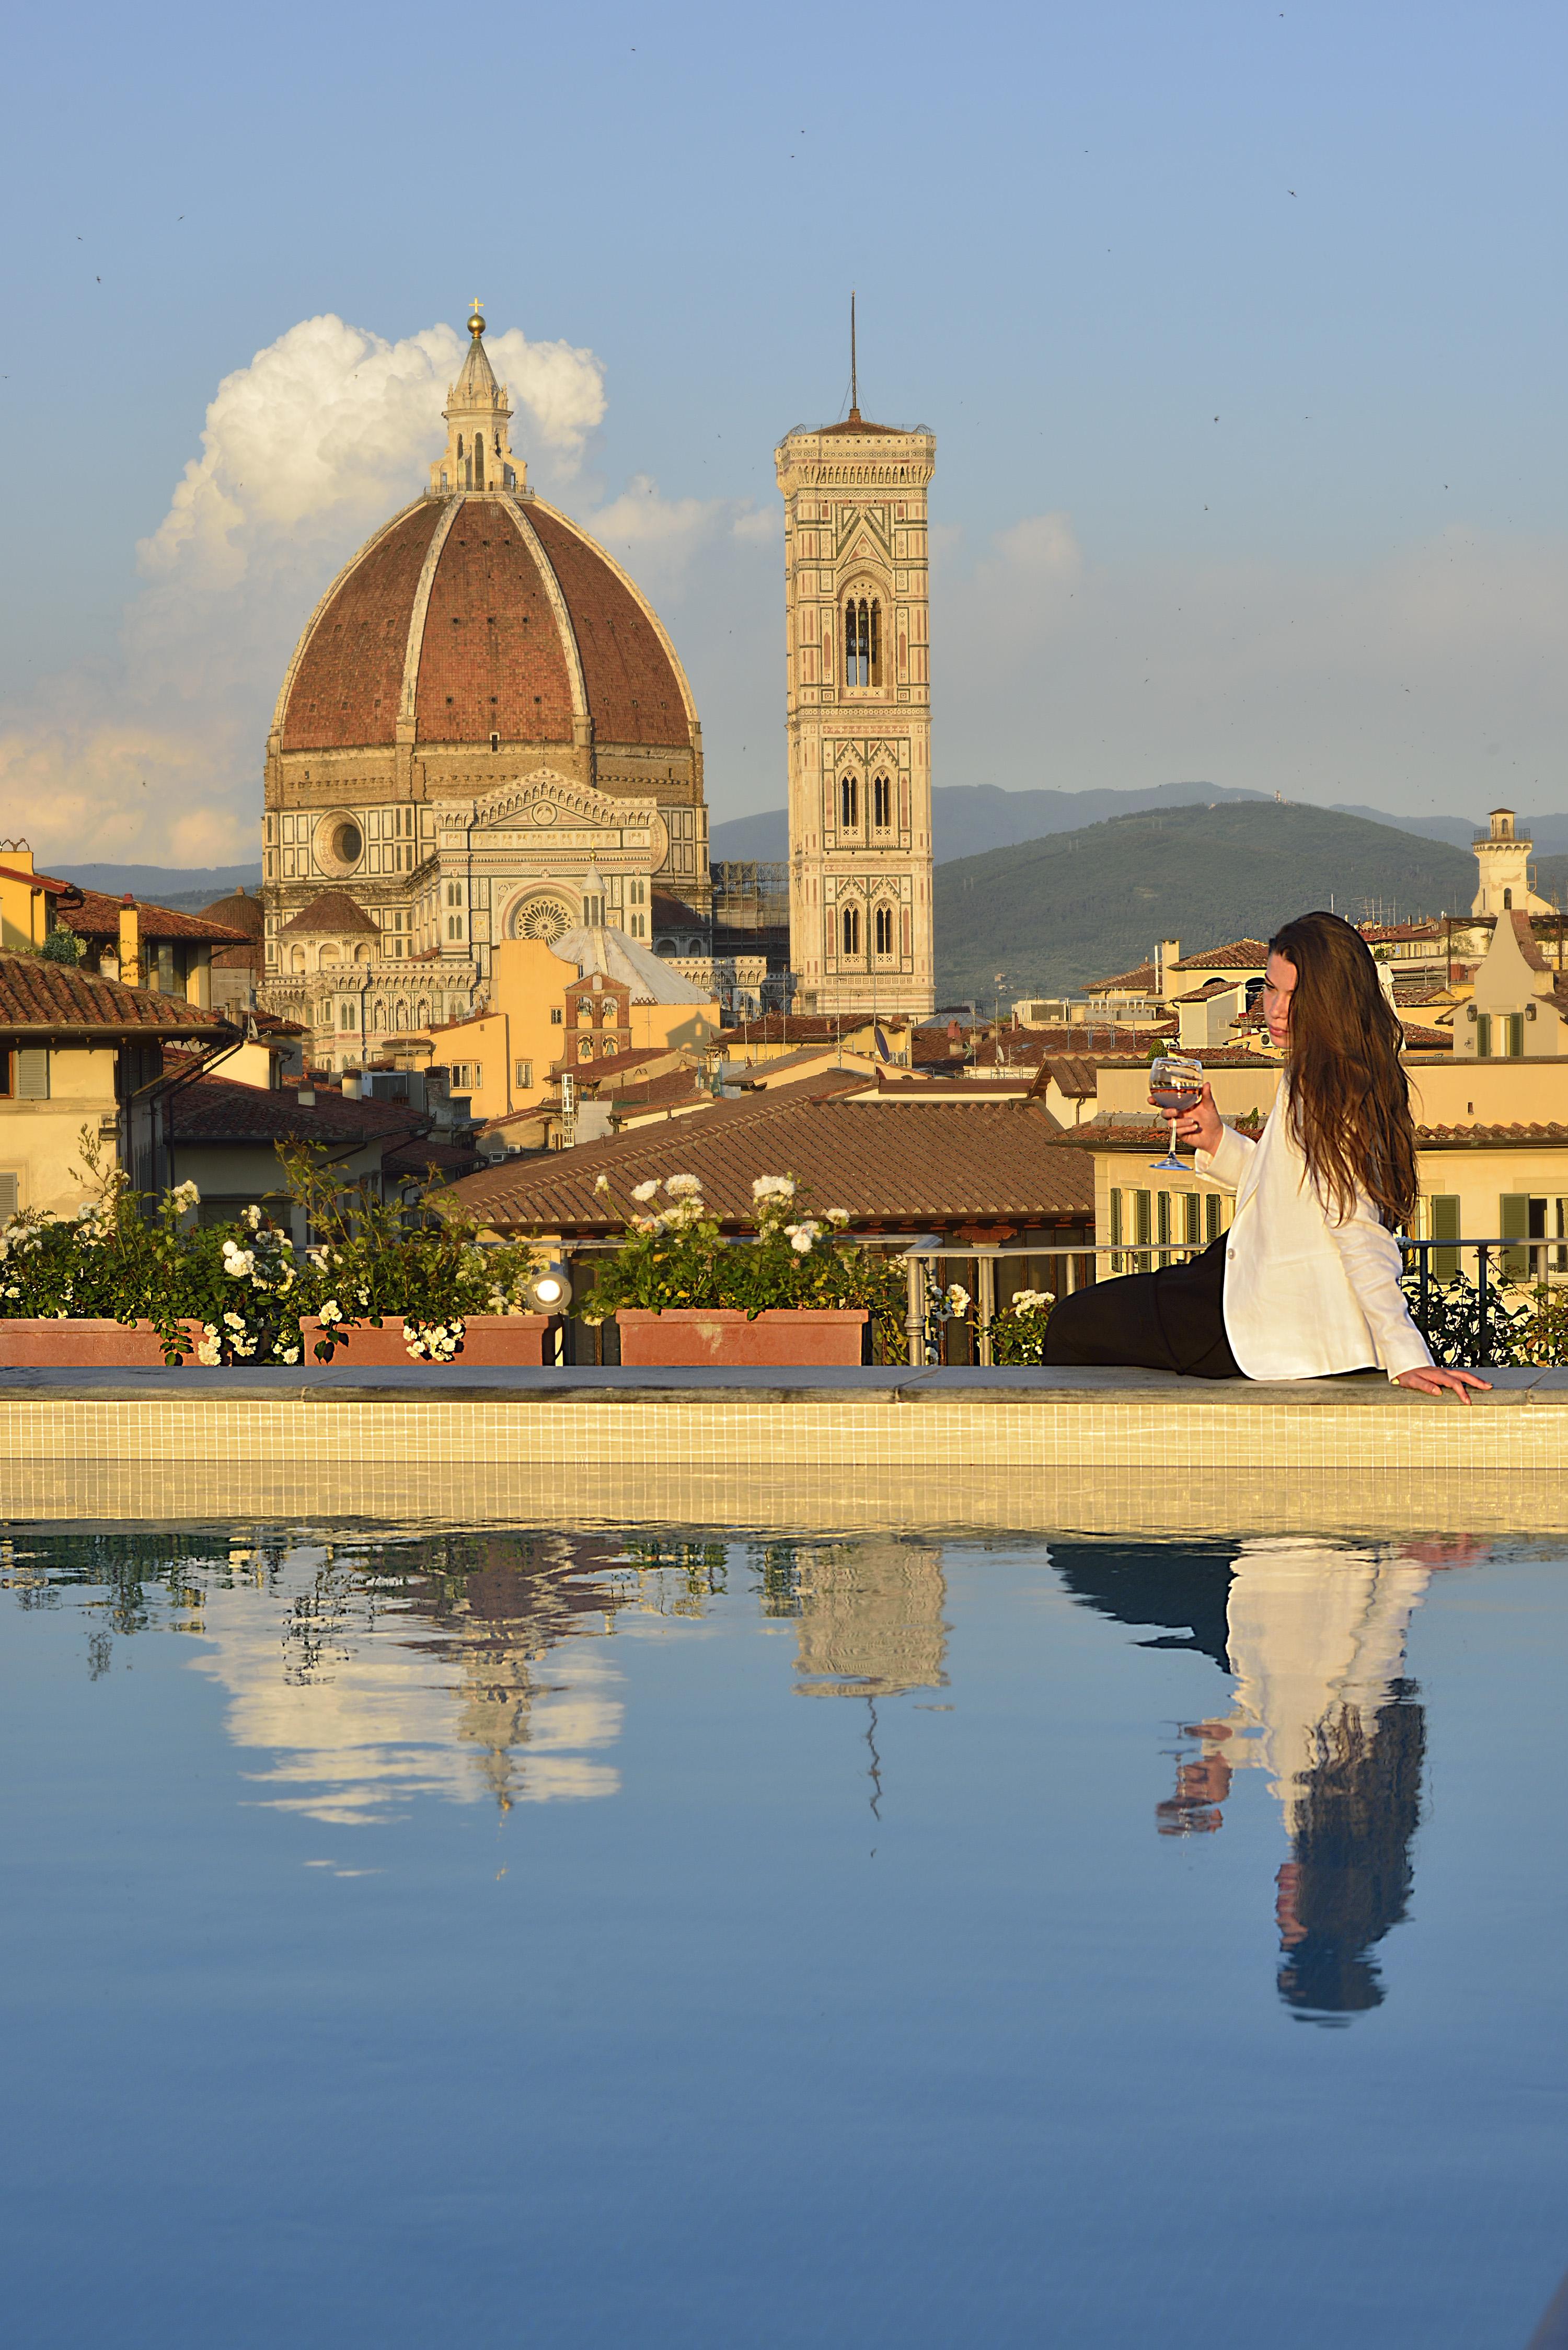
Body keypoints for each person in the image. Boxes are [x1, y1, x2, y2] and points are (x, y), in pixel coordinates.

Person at [1044, 909, 1488, 1401]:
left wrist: (1407, 1355)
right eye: (1270, 989)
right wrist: (1216, 1139)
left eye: (1294, 996)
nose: (1274, 1009)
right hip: (1236, 1278)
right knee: (1083, 1321)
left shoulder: (1330, 1085)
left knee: (1070, 1325)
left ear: (1331, 1002)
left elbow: (1356, 1224)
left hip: (1254, 1313)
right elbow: (1291, 1187)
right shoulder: (1328, 1071)